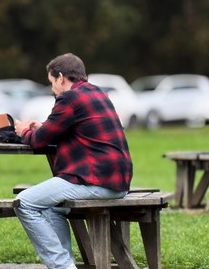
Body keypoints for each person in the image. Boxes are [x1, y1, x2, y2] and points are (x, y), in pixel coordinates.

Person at [13, 53, 133, 269]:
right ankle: (65, 263)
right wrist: (42, 128)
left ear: (60, 78)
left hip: (95, 181)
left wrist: (23, 131)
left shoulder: (69, 97)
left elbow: (39, 141)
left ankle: (63, 267)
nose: (52, 89)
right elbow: (65, 128)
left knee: (25, 202)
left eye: (51, 83)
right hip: (119, 182)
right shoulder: (98, 93)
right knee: (51, 207)